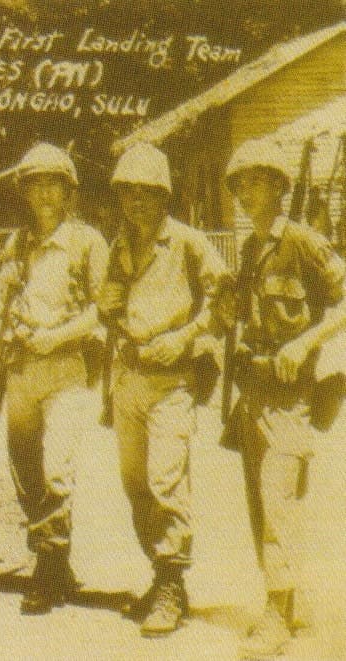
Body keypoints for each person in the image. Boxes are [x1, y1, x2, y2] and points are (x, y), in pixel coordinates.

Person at [221, 138, 346, 658]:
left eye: (255, 181)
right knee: (259, 504)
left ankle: (277, 613)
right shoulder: (250, 250)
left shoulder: (304, 242)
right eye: (240, 184)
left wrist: (304, 341)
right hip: (252, 393)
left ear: (278, 185)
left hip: (292, 396)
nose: (246, 193)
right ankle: (282, 601)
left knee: (279, 501)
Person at [98, 143, 229, 637]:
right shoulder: (120, 245)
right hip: (129, 377)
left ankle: (172, 583)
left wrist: (184, 339)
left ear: (164, 196)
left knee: (165, 480)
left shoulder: (190, 244)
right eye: (128, 194)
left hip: (172, 381)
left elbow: (222, 300)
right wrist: (112, 314)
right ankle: (160, 575)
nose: (136, 203)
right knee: (135, 484)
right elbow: (109, 301)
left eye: (146, 194)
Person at [0, 143, 108, 614]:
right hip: (22, 370)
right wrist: (15, 323)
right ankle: (59, 566)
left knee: (58, 468)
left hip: (66, 370)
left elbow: (103, 310)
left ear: (68, 191)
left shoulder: (87, 242)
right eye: (34, 183)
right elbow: (3, 298)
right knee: (25, 469)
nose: (43, 192)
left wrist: (56, 336)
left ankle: (46, 566)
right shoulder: (17, 243)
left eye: (52, 183)